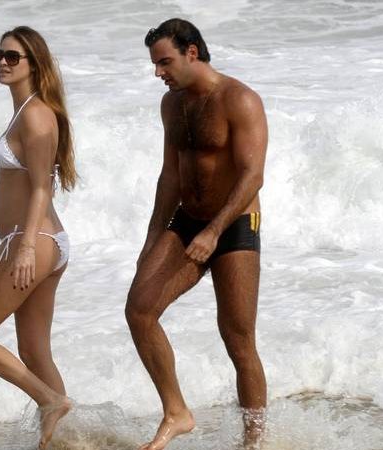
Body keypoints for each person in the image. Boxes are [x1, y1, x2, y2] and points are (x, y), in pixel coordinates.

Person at [126, 18, 269, 450]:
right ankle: (177, 411)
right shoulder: (172, 105)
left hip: (236, 224)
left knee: (238, 337)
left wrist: (214, 230)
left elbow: (253, 175)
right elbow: (170, 175)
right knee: (139, 309)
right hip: (187, 220)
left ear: (192, 52)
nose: (158, 73)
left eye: (164, 62)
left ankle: (255, 441)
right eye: (154, 64)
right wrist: (153, 236)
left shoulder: (239, 99)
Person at [0, 26, 77, 450]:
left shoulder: (36, 114)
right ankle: (62, 441)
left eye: (13, 57)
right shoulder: (27, 110)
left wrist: (24, 245)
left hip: (33, 240)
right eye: (0, 55)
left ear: (34, 63)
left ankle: (49, 401)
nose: (4, 63)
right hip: (45, 241)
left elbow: (43, 186)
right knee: (35, 352)